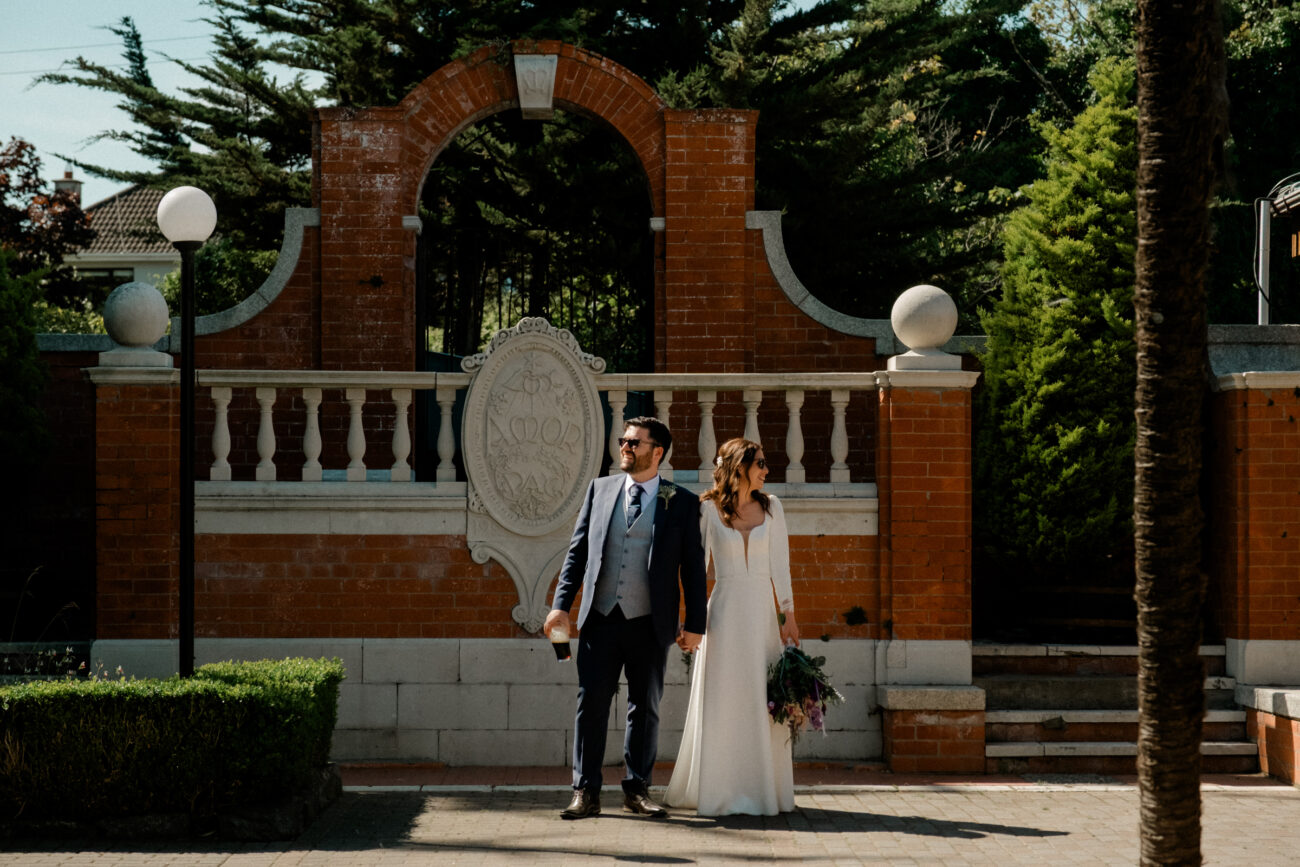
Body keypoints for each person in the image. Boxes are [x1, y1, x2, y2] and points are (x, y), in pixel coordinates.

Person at [545, 416, 708, 820]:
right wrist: (560, 604)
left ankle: (637, 790)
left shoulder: (681, 501)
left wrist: (696, 624)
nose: (625, 447)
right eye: (624, 440)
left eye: (634, 442)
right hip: (600, 618)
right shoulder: (599, 490)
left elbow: (693, 568)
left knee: (645, 707)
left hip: (650, 621)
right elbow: (577, 552)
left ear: (658, 452)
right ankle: (585, 791)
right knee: (591, 705)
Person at [665, 437, 800, 816]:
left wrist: (788, 615)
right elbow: (695, 571)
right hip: (723, 614)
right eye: (760, 463)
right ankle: (719, 790)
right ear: (739, 467)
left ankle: (763, 791)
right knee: (724, 699)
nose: (766, 470)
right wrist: (692, 621)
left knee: (762, 698)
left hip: (761, 616)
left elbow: (781, 566)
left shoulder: (773, 507)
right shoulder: (707, 509)